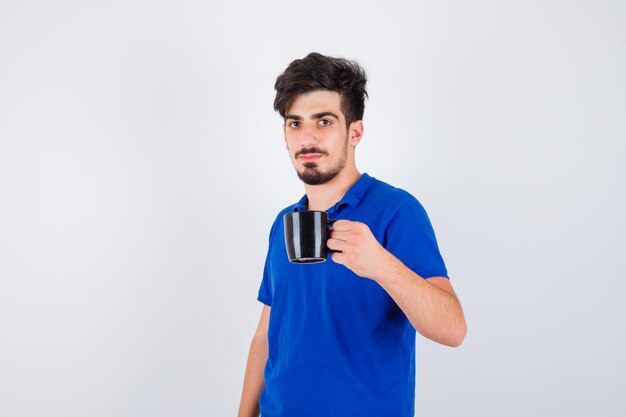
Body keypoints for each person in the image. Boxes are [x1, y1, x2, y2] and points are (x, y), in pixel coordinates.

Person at [237, 52, 467, 417]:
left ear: (354, 131)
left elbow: (453, 329)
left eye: (324, 121)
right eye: (295, 124)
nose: (307, 137)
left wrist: (381, 265)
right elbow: (267, 334)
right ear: (284, 135)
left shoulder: (397, 211)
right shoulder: (284, 221)